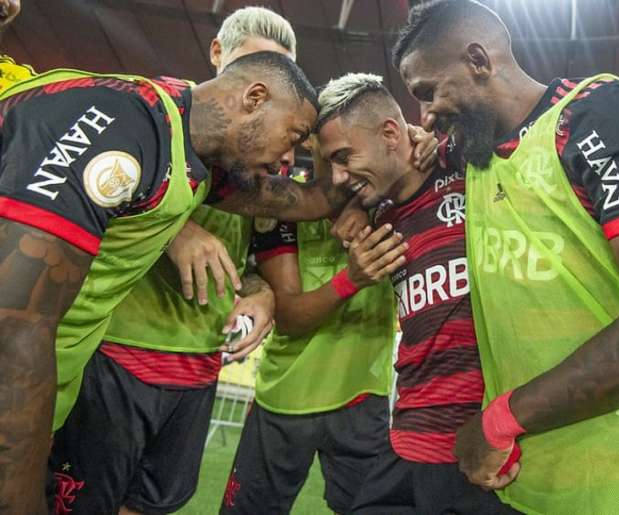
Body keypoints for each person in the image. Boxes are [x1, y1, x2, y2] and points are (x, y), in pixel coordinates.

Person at [392, 1, 619, 513]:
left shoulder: (592, 113)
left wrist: (498, 421)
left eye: (428, 92)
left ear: (478, 61)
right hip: (529, 484)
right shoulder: (474, 151)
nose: (425, 115)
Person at [0, 51, 345, 514]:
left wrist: (377, 170)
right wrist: (17, 499)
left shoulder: (194, 160)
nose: (289, 156)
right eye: (295, 136)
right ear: (254, 97)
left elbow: (304, 201)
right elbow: (16, 324)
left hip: (41, 407)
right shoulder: (120, 125)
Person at [314, 73, 519, 514]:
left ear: (391, 132)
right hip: (408, 440)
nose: (338, 175)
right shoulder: (375, 217)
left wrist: (442, 140)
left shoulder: (468, 164)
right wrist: (355, 206)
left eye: (344, 156)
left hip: (483, 444)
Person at [220, 137, 403, 514]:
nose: (343, 167)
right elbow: (288, 317)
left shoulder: (389, 200)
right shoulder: (281, 207)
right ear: (315, 143)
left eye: (351, 150)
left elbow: (422, 151)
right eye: (334, 151)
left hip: (362, 397)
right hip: (287, 396)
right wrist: (350, 279)